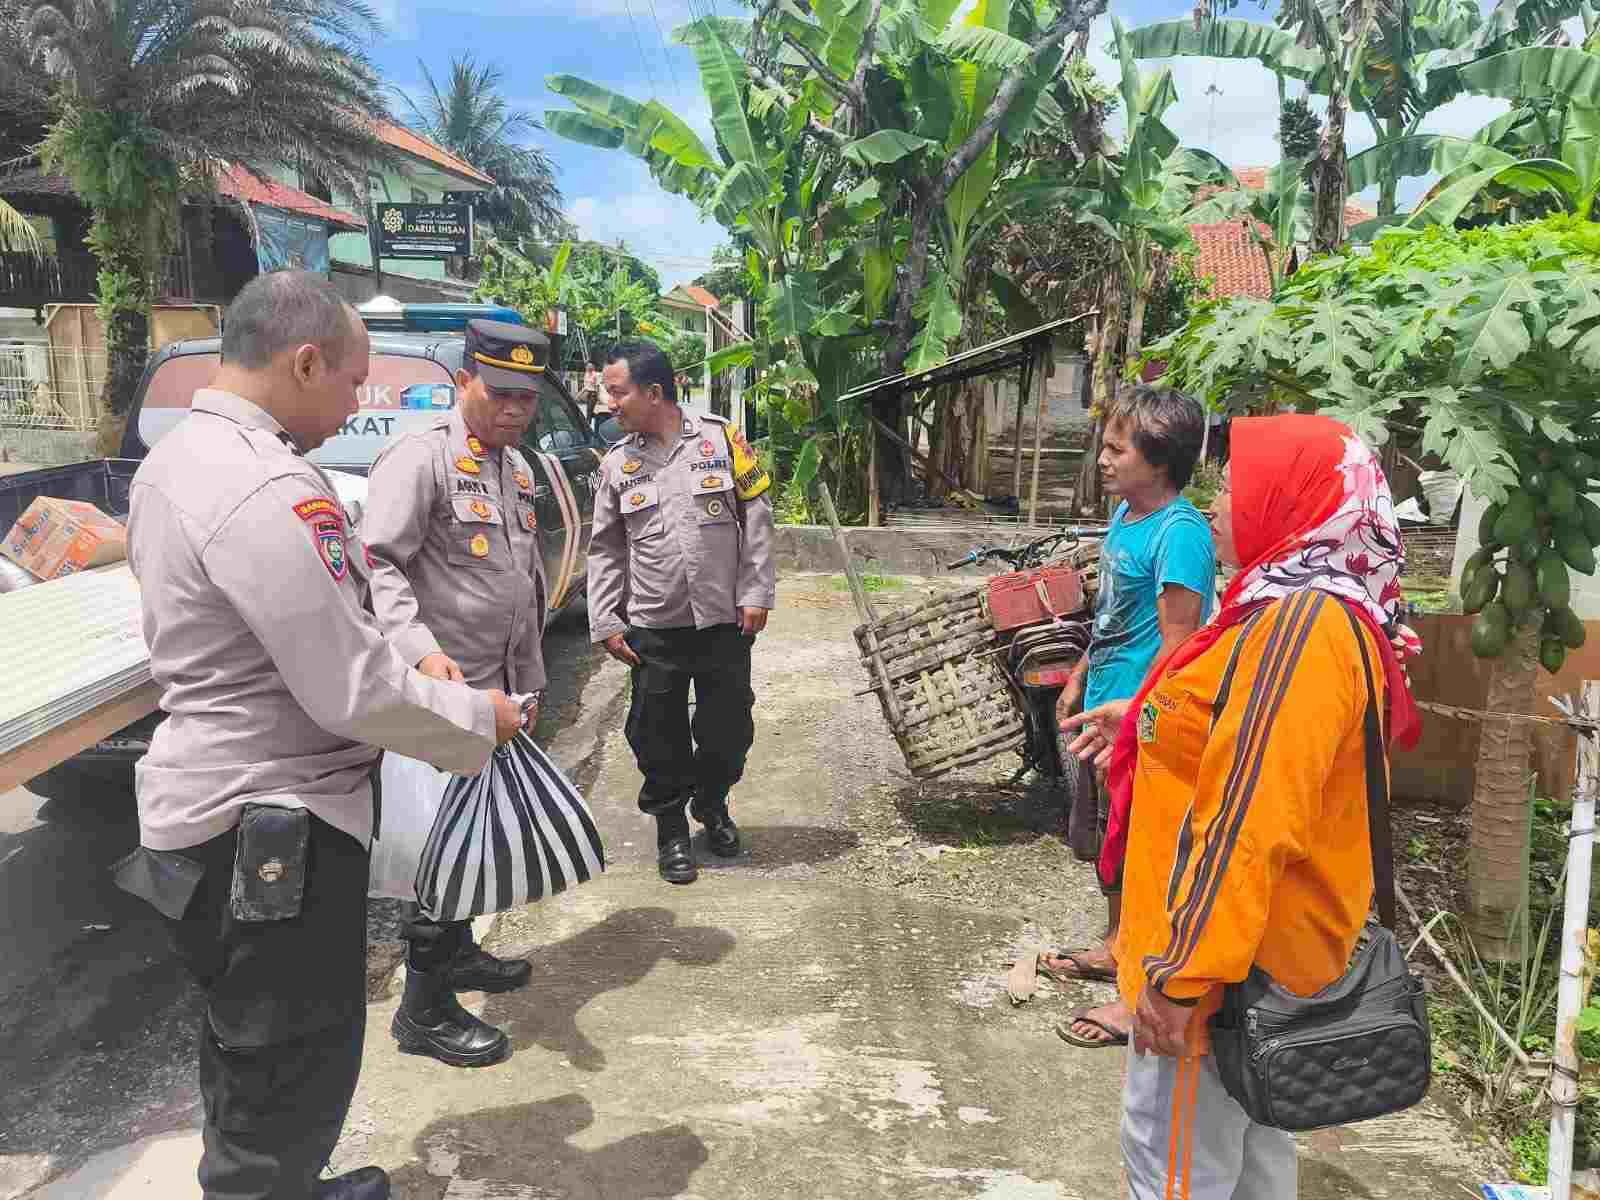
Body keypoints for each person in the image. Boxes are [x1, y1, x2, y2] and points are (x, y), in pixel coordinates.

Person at [114, 271, 527, 1200]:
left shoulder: (178, 461)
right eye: (351, 382)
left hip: (217, 812)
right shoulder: (265, 485)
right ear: (303, 363)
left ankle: (282, 1186)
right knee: (289, 1057)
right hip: (269, 827)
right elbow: (350, 688)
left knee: (251, 1047)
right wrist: (479, 722)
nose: (353, 407)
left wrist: (417, 662)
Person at [1063, 414, 1421, 1198]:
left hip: (1224, 976)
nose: (1218, 505)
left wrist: (1180, 978)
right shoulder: (1302, 608)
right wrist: (1145, 719)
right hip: (1253, 960)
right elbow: (1237, 730)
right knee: (1252, 1164)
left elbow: (1249, 820)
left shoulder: (1300, 629)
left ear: (1293, 502)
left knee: (1176, 1170)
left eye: (1235, 487)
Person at [363, 319, 552, 1069]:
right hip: (441, 695)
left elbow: (523, 580)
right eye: (500, 393)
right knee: (433, 852)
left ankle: (462, 952)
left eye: (527, 398)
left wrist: (529, 678)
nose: (514, 410)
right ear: (465, 378)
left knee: (479, 834)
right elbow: (379, 566)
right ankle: (423, 1011)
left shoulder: (517, 468)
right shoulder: (420, 459)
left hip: (500, 691)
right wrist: (422, 653)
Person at [1046, 384, 1216, 1051]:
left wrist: (1137, 708)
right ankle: (1118, 943)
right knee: (1108, 842)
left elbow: (1180, 647)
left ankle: (1139, 987)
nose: (1104, 458)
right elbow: (1113, 615)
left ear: (1160, 459)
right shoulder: (1125, 517)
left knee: (1148, 854)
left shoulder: (1181, 534)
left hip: (1145, 722)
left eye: (1118, 449)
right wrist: (1080, 675)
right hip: (1105, 709)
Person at [587, 340, 776, 884]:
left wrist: (756, 591)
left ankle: (712, 802)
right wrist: (606, 619)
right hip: (654, 625)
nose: (609, 403)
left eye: (617, 392)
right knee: (656, 733)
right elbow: (606, 548)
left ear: (653, 393)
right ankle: (670, 828)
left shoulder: (722, 440)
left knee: (729, 730)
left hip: (723, 620)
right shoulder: (617, 464)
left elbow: (757, 516)